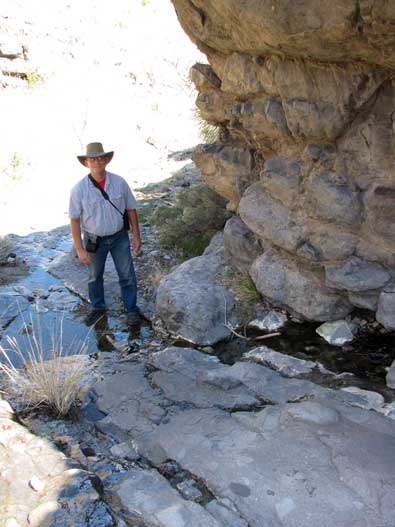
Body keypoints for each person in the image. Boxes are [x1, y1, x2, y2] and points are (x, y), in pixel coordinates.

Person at [69, 142, 141, 325]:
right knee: (94, 277)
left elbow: (131, 210)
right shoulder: (79, 189)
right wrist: (79, 249)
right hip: (94, 240)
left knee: (127, 275)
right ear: (86, 162)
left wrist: (136, 236)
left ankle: (132, 310)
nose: (97, 161)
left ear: (106, 160)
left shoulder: (119, 182)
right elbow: (75, 220)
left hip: (119, 237)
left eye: (100, 157)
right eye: (92, 159)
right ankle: (98, 308)